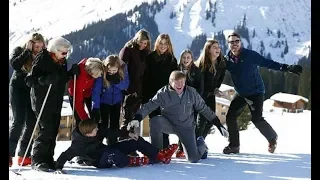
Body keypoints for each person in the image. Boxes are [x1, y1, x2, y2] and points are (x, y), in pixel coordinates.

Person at [222, 32, 303, 154]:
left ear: (240, 42)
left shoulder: (250, 55)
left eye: (236, 41)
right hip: (241, 93)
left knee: (257, 119)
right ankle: (234, 146)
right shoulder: (227, 60)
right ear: (228, 44)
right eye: (231, 42)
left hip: (256, 92)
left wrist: (287, 68)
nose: (234, 44)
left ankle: (272, 139)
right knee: (230, 117)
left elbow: (268, 63)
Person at [127, 71, 229, 163]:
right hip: (169, 124)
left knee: (193, 158)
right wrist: (137, 118)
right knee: (155, 121)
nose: (180, 84)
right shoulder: (163, 93)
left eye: (182, 82)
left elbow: (204, 108)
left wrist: (218, 124)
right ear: (170, 82)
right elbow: (149, 106)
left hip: (187, 127)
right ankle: (156, 153)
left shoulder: (191, 93)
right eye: (177, 82)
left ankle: (201, 144)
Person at [25, 36, 79, 172]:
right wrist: (44, 80)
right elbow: (30, 80)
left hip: (56, 98)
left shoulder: (61, 61)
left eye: (67, 52)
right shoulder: (43, 59)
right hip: (42, 99)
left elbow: (59, 80)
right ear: (55, 50)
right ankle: (37, 159)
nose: (65, 54)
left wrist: (70, 74)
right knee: (46, 128)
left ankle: (48, 158)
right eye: (63, 52)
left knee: (54, 127)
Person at [53, 119, 179, 174]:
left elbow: (111, 132)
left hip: (106, 150)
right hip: (101, 161)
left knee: (133, 141)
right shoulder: (78, 145)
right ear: (88, 134)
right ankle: (131, 161)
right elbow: (65, 155)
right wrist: (58, 167)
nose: (98, 130)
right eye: (95, 130)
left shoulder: (94, 130)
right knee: (112, 154)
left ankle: (159, 155)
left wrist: (128, 134)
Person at [9, 33, 45, 167]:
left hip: (31, 90)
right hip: (18, 88)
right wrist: (27, 52)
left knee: (31, 122)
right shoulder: (19, 51)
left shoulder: (42, 56)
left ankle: (24, 155)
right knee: (19, 121)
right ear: (30, 44)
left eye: (41, 46)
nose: (39, 49)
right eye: (36, 46)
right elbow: (15, 64)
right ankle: (9, 154)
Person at [142, 33, 178, 149]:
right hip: (151, 96)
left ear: (169, 45)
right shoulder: (150, 58)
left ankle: (165, 148)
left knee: (165, 121)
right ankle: (156, 149)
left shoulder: (172, 60)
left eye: (165, 44)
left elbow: (175, 80)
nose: (163, 46)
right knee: (154, 122)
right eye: (161, 43)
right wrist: (145, 97)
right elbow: (145, 78)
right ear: (157, 44)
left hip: (166, 97)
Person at [118, 29, 151, 140]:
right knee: (127, 118)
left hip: (140, 91)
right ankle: (123, 142)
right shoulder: (127, 50)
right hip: (129, 90)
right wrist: (129, 88)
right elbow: (121, 71)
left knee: (135, 120)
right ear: (136, 39)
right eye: (141, 42)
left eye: (145, 43)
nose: (143, 45)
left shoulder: (146, 53)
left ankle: (132, 145)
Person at [91, 55, 129, 144]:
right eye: (109, 70)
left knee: (115, 124)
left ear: (118, 68)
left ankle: (112, 144)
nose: (111, 72)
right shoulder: (102, 75)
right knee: (102, 125)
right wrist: (95, 107)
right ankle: (98, 144)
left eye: (114, 70)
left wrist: (117, 82)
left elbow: (126, 85)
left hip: (116, 102)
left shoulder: (122, 72)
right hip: (104, 102)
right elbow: (96, 91)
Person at [194, 39, 226, 143]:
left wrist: (216, 90)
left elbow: (219, 80)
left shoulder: (221, 63)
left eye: (218, 47)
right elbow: (201, 85)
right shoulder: (202, 65)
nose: (218, 49)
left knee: (210, 120)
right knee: (202, 120)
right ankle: (194, 143)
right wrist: (214, 90)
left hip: (210, 95)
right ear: (208, 50)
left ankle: (200, 141)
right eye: (215, 47)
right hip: (200, 95)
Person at [176, 49, 203, 158]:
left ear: (192, 59)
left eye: (188, 57)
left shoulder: (196, 71)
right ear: (181, 58)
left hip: (191, 103)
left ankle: (192, 147)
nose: (186, 60)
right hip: (178, 102)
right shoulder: (176, 70)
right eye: (184, 57)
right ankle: (180, 148)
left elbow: (200, 88)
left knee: (190, 126)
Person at [67, 57, 104, 126]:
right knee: (79, 118)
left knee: (94, 115)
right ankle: (82, 131)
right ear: (91, 72)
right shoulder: (79, 79)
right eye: (97, 74)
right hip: (75, 93)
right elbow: (78, 103)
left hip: (88, 91)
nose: (99, 76)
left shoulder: (92, 66)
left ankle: (94, 130)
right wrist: (85, 120)